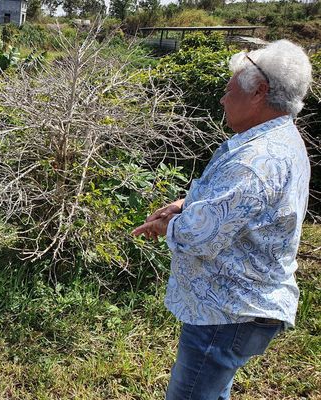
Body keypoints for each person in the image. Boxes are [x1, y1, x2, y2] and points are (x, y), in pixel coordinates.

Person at [132, 39, 312, 400]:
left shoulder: (255, 160)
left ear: (260, 92)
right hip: (239, 308)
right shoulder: (279, 139)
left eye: (230, 91)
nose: (222, 99)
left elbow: (200, 236)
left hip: (227, 313)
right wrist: (187, 204)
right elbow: (243, 207)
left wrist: (167, 224)